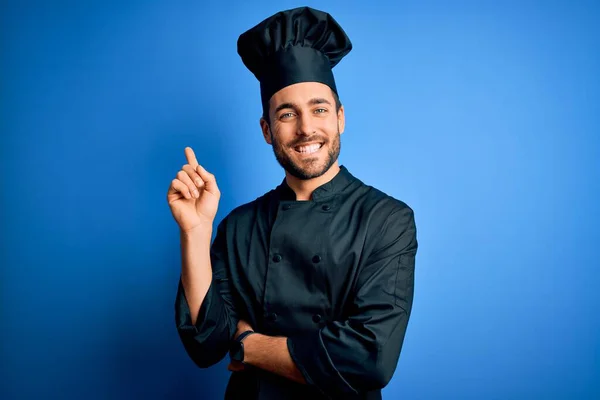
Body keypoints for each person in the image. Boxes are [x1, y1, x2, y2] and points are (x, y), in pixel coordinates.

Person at [167, 6, 418, 400]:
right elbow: (207, 345)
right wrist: (195, 233)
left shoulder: (387, 220)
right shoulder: (239, 226)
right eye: (287, 114)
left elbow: (371, 358)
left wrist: (249, 346)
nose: (306, 128)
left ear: (340, 118)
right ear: (267, 130)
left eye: (319, 109)